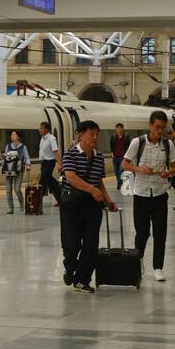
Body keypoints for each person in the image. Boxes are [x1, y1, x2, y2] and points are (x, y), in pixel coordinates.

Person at [60, 120, 117, 293]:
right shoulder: (70, 154)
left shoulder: (99, 157)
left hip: (93, 206)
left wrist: (107, 200)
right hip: (73, 205)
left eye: (96, 135)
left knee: (91, 244)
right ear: (80, 135)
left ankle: (82, 279)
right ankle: (70, 267)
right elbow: (71, 177)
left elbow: (99, 181)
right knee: (72, 244)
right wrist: (92, 190)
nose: (95, 138)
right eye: (91, 135)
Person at [123, 110, 175, 282]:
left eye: (162, 128)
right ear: (150, 125)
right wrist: (140, 169)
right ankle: (137, 263)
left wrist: (169, 173)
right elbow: (125, 164)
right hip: (141, 194)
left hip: (160, 194)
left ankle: (158, 267)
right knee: (142, 233)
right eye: (156, 127)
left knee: (160, 233)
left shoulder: (168, 145)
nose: (159, 131)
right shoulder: (137, 143)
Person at [0, 129, 30, 214]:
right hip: (8, 170)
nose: (12, 136)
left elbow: (27, 157)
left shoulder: (23, 147)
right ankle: (10, 207)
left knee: (17, 189)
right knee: (8, 190)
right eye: (11, 135)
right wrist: (2, 167)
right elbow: (5, 158)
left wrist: (28, 165)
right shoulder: (8, 146)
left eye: (14, 134)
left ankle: (21, 202)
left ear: (18, 136)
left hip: (18, 170)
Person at [37, 121, 62, 205]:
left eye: (41, 128)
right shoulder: (42, 139)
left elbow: (56, 151)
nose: (39, 130)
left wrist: (59, 164)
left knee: (42, 181)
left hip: (50, 162)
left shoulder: (51, 139)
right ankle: (60, 197)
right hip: (44, 163)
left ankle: (37, 200)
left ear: (47, 129)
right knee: (49, 182)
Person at [109, 123, 130, 189]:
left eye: (120, 128)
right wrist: (112, 153)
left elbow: (128, 147)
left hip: (123, 157)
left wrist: (128, 156)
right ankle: (120, 182)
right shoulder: (113, 137)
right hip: (115, 157)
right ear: (116, 129)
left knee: (120, 171)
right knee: (116, 171)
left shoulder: (126, 137)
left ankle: (119, 183)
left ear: (122, 129)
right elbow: (111, 145)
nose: (119, 129)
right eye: (117, 128)